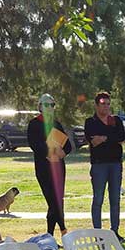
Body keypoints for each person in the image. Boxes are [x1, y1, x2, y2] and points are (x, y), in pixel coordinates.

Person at [27, 94, 73, 237]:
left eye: (52, 105)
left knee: (58, 200)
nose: (49, 108)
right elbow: (34, 145)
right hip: (44, 168)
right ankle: (63, 230)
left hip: (58, 168)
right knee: (53, 201)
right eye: (46, 105)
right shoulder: (34, 124)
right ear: (40, 106)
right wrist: (50, 151)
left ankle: (50, 234)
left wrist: (62, 153)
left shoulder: (56, 124)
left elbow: (68, 146)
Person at [83, 91, 125, 235]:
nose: (106, 107)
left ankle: (115, 232)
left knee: (115, 199)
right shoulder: (90, 122)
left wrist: (104, 138)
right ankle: (98, 233)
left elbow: (121, 137)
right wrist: (108, 138)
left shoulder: (116, 120)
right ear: (96, 105)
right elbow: (93, 141)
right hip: (99, 165)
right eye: (103, 104)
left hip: (115, 164)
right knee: (98, 199)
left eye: (108, 104)